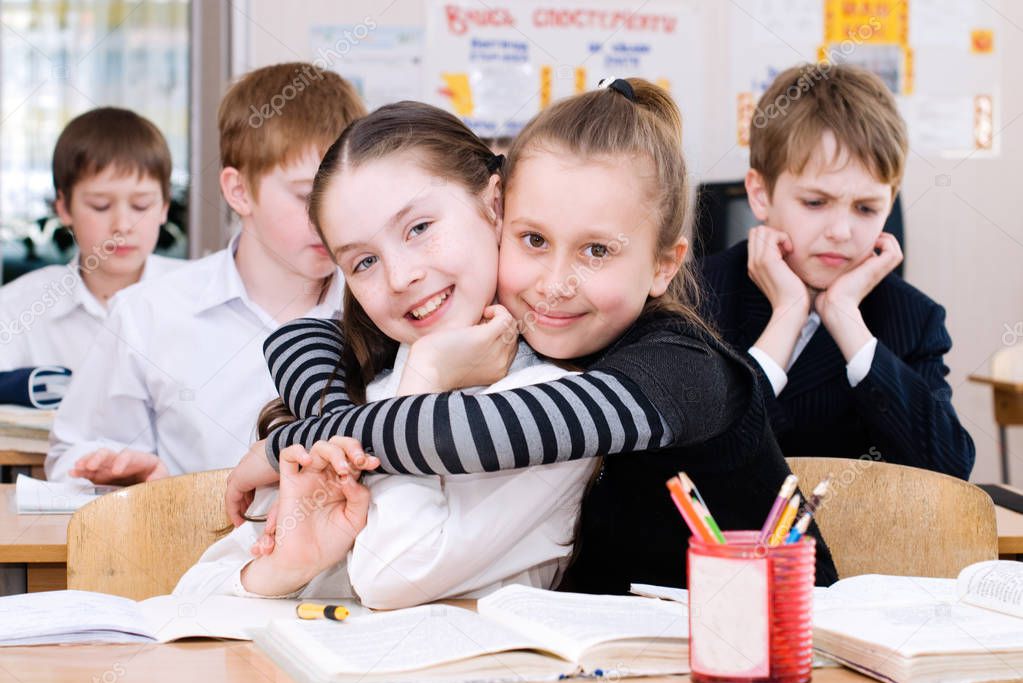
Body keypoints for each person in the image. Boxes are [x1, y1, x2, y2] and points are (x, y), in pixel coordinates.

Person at [228, 78, 838, 590]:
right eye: (534, 240)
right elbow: (303, 337)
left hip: (779, 648)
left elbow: (459, 435)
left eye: (596, 250)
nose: (554, 283)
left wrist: (295, 441)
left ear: (663, 265)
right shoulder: (506, 331)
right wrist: (326, 422)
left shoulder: (678, 371)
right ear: (499, 216)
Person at [175, 102, 595, 608]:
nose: (400, 277)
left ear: (494, 203)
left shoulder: (551, 410)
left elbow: (393, 577)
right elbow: (193, 598)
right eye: (365, 261)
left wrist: (427, 377)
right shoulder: (350, 390)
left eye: (419, 228)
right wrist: (284, 568)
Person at [45, 63, 365, 483]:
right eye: (307, 195)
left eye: (346, 194)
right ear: (238, 191)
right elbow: (70, 454)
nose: (330, 217)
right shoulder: (148, 314)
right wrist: (133, 484)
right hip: (188, 547)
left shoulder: (383, 305)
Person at [700, 63, 974, 479]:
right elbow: (701, 461)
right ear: (760, 194)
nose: (842, 232)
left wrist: (847, 321)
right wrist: (788, 315)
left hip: (862, 543)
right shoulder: (698, 296)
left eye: (866, 208)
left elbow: (949, 470)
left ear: (890, 201)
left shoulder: (912, 318)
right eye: (815, 203)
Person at [0, 108, 180, 407]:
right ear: (64, 208)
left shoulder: (201, 298)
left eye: (141, 205)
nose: (123, 225)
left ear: (163, 207)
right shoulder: (17, 307)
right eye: (100, 205)